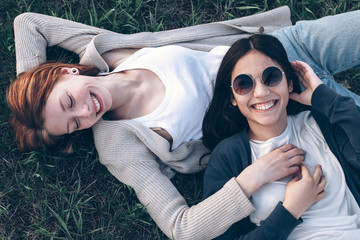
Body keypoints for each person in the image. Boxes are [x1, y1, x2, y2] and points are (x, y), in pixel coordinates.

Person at [7, 7, 360, 240]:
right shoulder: (118, 144)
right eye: (73, 125)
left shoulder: (100, 51)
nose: (86, 113)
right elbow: (181, 227)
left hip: (283, 48)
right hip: (292, 108)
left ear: (63, 72)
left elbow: (28, 22)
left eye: (69, 101)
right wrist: (251, 179)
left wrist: (31, 94)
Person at [202, 34, 360, 239]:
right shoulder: (228, 156)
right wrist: (290, 210)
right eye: (244, 84)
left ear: (290, 83)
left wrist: (323, 96)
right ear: (233, 97)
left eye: (271, 77)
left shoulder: (319, 124)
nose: (260, 92)